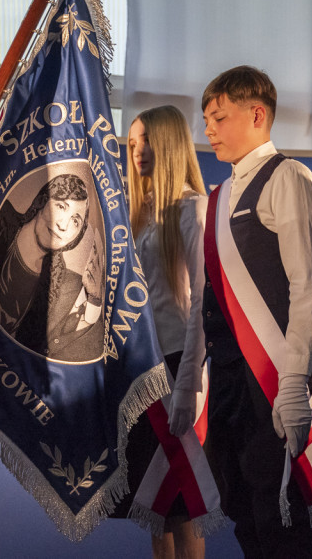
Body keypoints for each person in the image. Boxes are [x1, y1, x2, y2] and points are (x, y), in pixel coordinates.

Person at [200, 65, 312, 557]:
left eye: (219, 116)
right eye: (206, 118)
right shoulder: (218, 197)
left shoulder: (287, 177)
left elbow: (306, 285)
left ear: (257, 114)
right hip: (229, 380)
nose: (208, 128)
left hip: (268, 380)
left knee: (281, 520)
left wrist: (293, 383)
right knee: (245, 517)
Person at [124, 105, 208, 558]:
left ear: (170, 141)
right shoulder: (140, 215)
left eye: (147, 141)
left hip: (180, 365)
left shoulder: (193, 208)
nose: (138, 151)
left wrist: (190, 381)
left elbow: (201, 303)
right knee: (155, 507)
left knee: (183, 504)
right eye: (133, 143)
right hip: (144, 368)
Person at [0, 172, 104, 362]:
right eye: (60, 206)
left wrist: (95, 299)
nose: (63, 225)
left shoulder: (63, 281)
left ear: (78, 235)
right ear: (42, 201)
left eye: (75, 221)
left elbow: (68, 343)